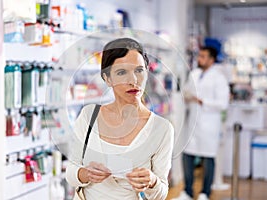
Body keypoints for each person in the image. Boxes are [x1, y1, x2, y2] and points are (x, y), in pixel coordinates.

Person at [66, 38, 174, 200]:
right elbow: (71, 171)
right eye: (122, 72)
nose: (133, 80)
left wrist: (152, 182)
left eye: (139, 70)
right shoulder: (89, 116)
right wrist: (85, 174)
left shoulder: (162, 129)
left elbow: (161, 193)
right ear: (107, 78)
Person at [173, 47, 229, 200]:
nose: (200, 59)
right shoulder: (195, 74)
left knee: (208, 157)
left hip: (209, 123)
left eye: (203, 56)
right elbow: (186, 90)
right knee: (187, 155)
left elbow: (223, 103)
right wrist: (187, 96)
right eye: (200, 56)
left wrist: (202, 101)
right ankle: (188, 192)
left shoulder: (219, 78)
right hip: (193, 122)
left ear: (212, 59)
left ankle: (205, 192)